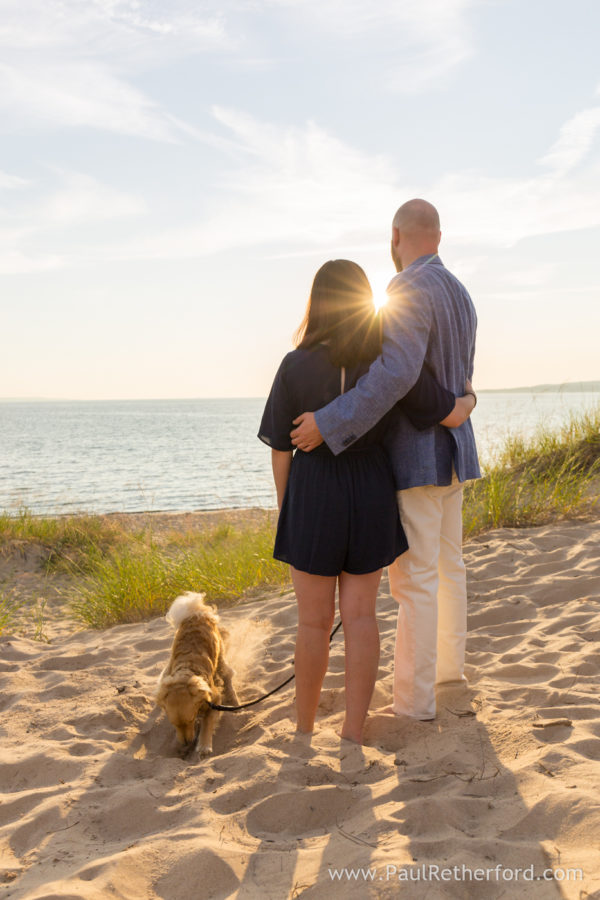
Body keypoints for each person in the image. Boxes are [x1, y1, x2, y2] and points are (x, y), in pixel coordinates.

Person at [259, 258, 476, 743]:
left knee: (312, 623)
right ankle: (352, 731)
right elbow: (428, 402)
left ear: (316, 303)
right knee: (360, 617)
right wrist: (464, 404)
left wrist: (287, 506)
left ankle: (304, 728)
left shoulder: (294, 365)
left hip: (315, 491)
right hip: (371, 488)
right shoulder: (383, 362)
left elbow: (279, 445)